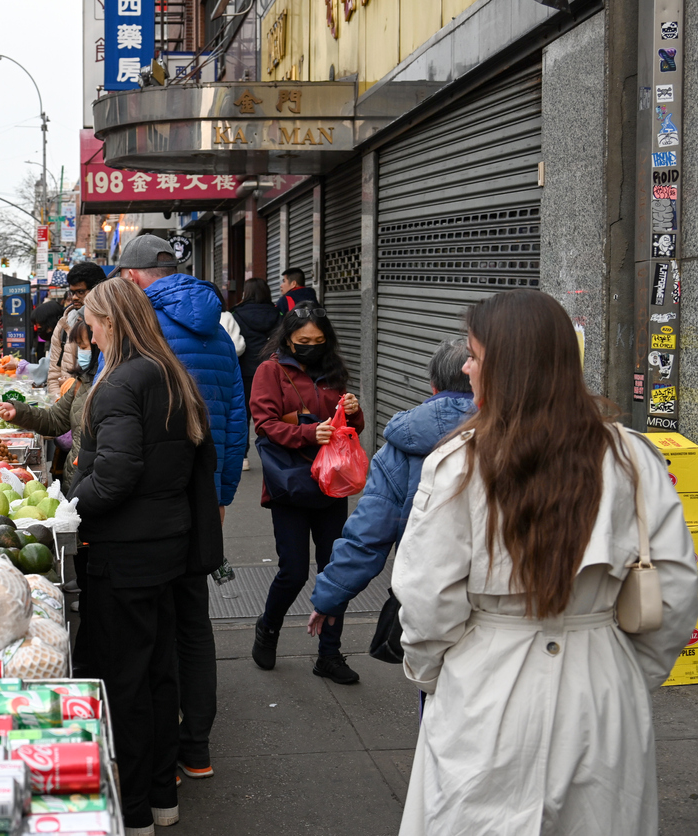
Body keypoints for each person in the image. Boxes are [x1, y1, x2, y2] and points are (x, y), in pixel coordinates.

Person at [393, 290, 698, 835]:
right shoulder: (633, 458)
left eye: (475, 355)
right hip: (602, 686)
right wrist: (625, 674)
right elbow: (674, 593)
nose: (465, 367)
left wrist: (438, 675)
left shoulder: (457, 466)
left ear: (508, 369)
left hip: (487, 681)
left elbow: (425, 602)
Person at [71, 277, 217, 836]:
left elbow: (115, 474)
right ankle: (161, 799)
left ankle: (132, 813)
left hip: (125, 554)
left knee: (124, 683)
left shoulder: (118, 385)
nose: (90, 333)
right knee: (159, 676)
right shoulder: (170, 373)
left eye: (93, 322)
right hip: (168, 548)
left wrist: (68, 506)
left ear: (112, 323)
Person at [113, 233, 247, 782]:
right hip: (204, 491)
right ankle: (197, 749)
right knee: (194, 620)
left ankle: (160, 752)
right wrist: (221, 495)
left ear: (136, 277)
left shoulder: (139, 331)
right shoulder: (216, 329)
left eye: (123, 277)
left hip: (155, 500)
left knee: (154, 623)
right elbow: (235, 420)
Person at [306, 338, 475, 638]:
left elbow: (368, 534)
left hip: (428, 593)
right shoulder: (516, 433)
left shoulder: (403, 446)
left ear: (433, 385)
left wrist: (329, 596)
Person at [249, 301, 364, 683]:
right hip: (291, 482)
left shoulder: (333, 371)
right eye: (303, 340)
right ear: (289, 339)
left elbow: (348, 427)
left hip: (332, 483)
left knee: (335, 570)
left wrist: (354, 410)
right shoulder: (271, 371)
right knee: (294, 571)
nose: (311, 346)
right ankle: (268, 627)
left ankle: (329, 654)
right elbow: (264, 424)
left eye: (318, 340)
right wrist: (306, 433)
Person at [0, 314, 97, 494]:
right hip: (75, 484)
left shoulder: (115, 386)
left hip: (92, 490)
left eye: (84, 347)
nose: (80, 353)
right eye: (78, 347)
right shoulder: (81, 382)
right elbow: (54, 419)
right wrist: (18, 411)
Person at [231, 278, 280, 471]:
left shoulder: (237, 313)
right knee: (273, 412)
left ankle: (243, 457)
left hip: (245, 370)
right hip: (271, 370)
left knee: (243, 414)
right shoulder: (277, 313)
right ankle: (274, 454)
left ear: (247, 293)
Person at [47, 262, 108, 390]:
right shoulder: (64, 324)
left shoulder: (110, 323)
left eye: (80, 292)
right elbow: (54, 374)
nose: (74, 297)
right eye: (72, 292)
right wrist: (58, 401)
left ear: (96, 289)